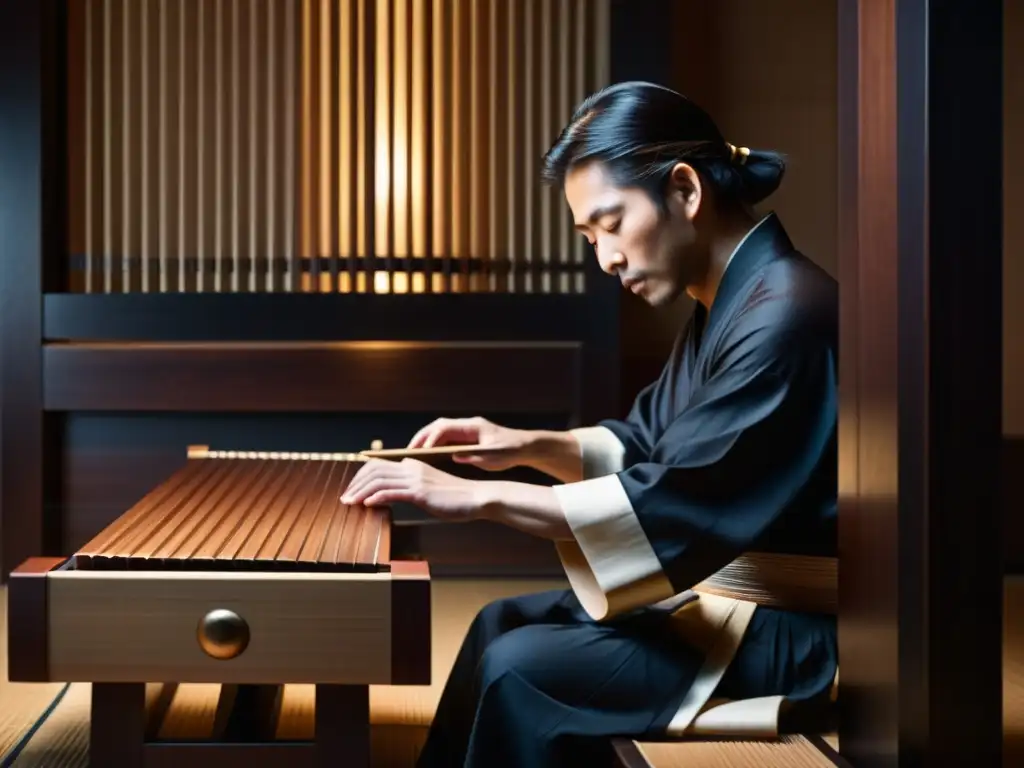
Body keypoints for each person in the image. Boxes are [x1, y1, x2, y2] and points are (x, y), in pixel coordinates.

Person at [341, 81, 839, 768]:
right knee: (499, 623)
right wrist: (522, 446)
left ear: (686, 190)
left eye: (610, 223)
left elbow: (673, 506)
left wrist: (478, 497)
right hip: (729, 606)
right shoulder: (738, 302)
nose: (605, 256)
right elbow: (645, 445)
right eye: (589, 236)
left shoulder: (785, 315)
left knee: (519, 667)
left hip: (786, 636)